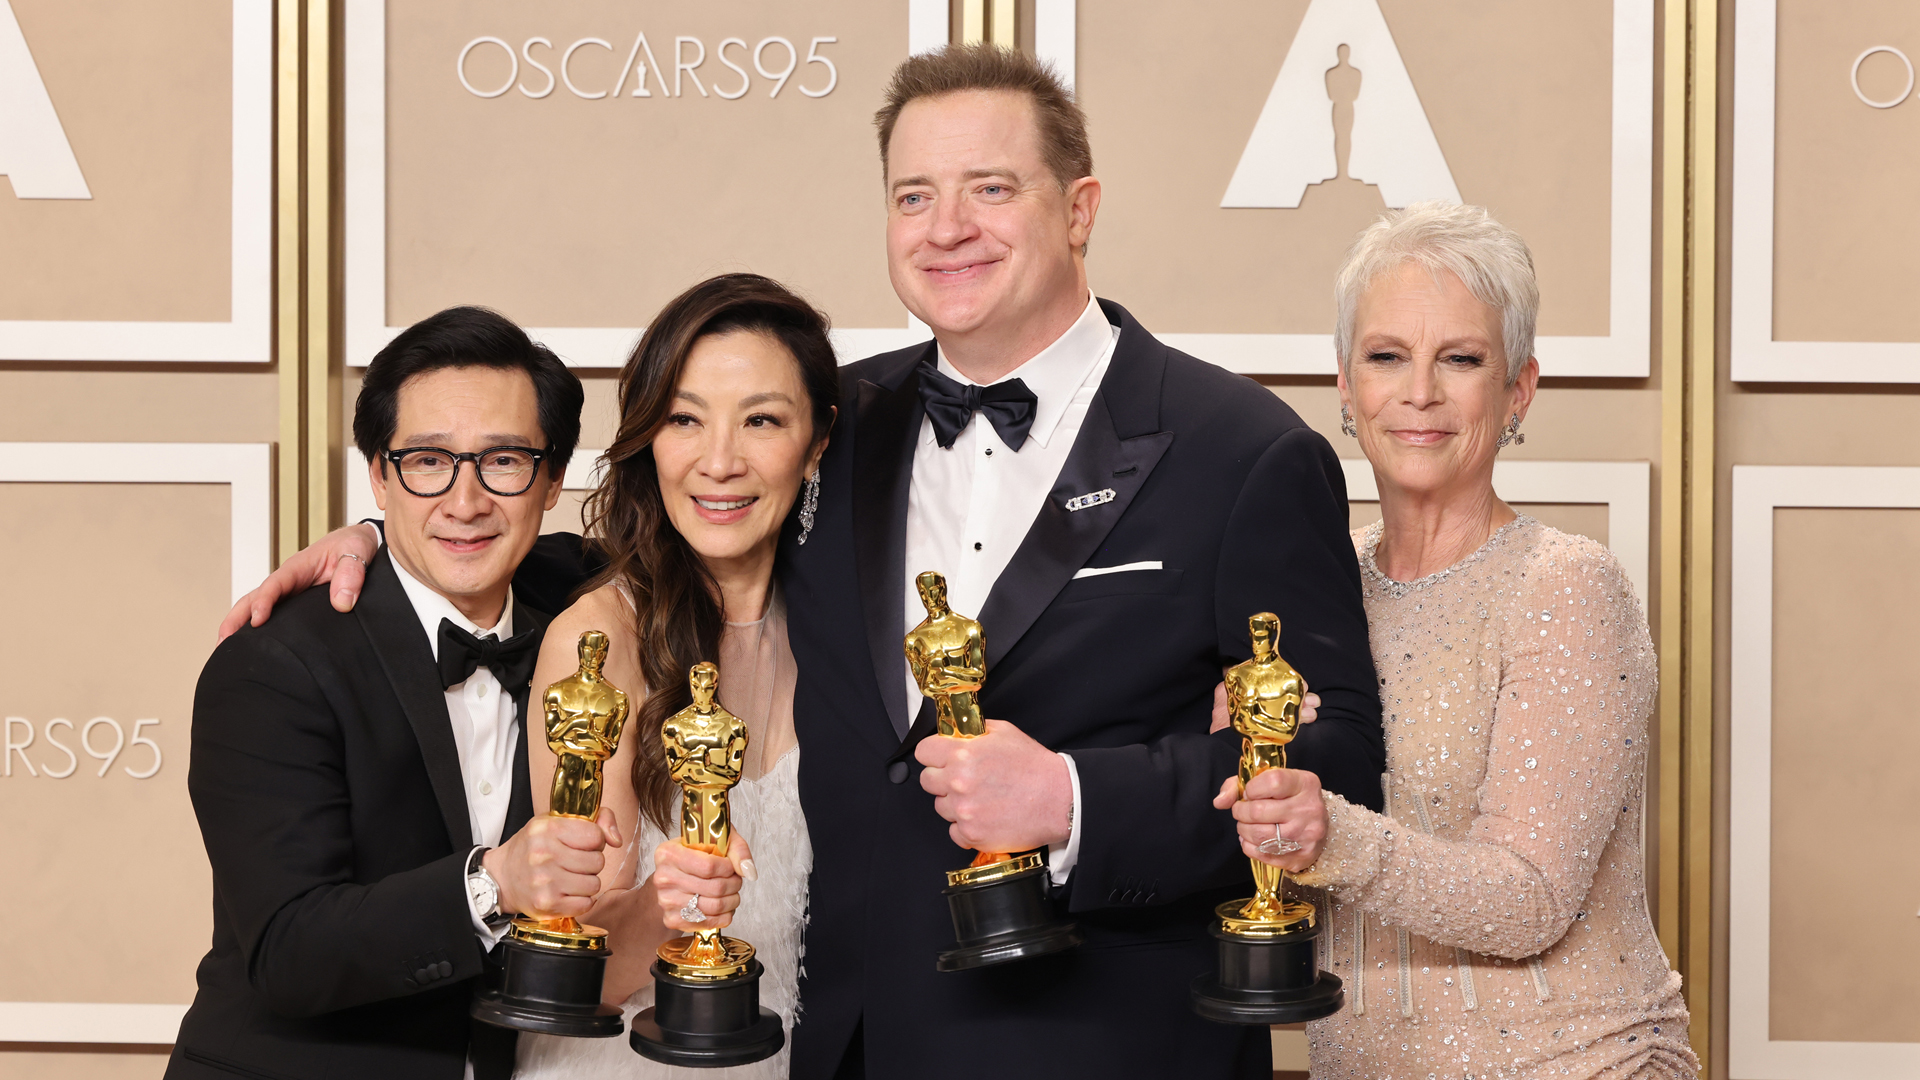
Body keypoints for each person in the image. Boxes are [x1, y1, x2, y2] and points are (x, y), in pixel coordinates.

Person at [220, 45, 1386, 1079]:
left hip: (1101, 1040)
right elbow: (666, 547)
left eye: (991, 189)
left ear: (1079, 209)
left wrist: (1076, 801)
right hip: (830, 1043)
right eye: (914, 194)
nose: (947, 226)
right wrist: (389, 543)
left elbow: (1334, 764)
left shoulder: (1245, 453)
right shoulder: (850, 414)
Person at [1215, 203, 1697, 1079]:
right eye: (1387, 356)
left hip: (1570, 1061)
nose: (1420, 393)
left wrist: (1326, 834)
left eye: (1462, 359)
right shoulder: (1312, 597)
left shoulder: (1567, 587)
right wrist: (1234, 759)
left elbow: (1531, 900)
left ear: (1518, 390)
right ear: (1345, 383)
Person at [172, 307, 617, 1080]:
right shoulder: (272, 665)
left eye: (504, 461)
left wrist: (375, 532)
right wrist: (495, 884)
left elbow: (695, 551)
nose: (466, 500)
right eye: (427, 461)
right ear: (380, 474)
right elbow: (288, 949)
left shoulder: (572, 593)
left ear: (549, 482)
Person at [510, 274, 835, 1079]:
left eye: (761, 419)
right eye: (685, 419)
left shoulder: (850, 633)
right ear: (649, 438)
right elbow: (584, 977)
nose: (719, 461)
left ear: (818, 440)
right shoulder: (596, 642)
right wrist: (666, 905)